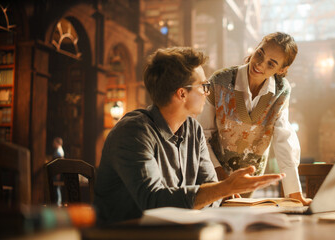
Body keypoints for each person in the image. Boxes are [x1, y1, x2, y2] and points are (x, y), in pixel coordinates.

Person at [94, 47, 285, 224]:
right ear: (182, 94)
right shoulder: (133, 133)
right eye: (202, 85)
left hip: (173, 232)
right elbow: (153, 203)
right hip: (125, 234)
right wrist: (224, 188)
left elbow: (210, 192)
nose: (206, 92)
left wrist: (219, 190)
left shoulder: (194, 130)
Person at [197, 32, 311, 205]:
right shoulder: (220, 81)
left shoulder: (281, 91)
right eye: (260, 53)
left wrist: (294, 192)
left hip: (248, 184)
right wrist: (222, 182)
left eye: (271, 63)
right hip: (211, 177)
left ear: (282, 70)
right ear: (256, 48)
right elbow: (201, 136)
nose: (259, 64)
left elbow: (284, 140)